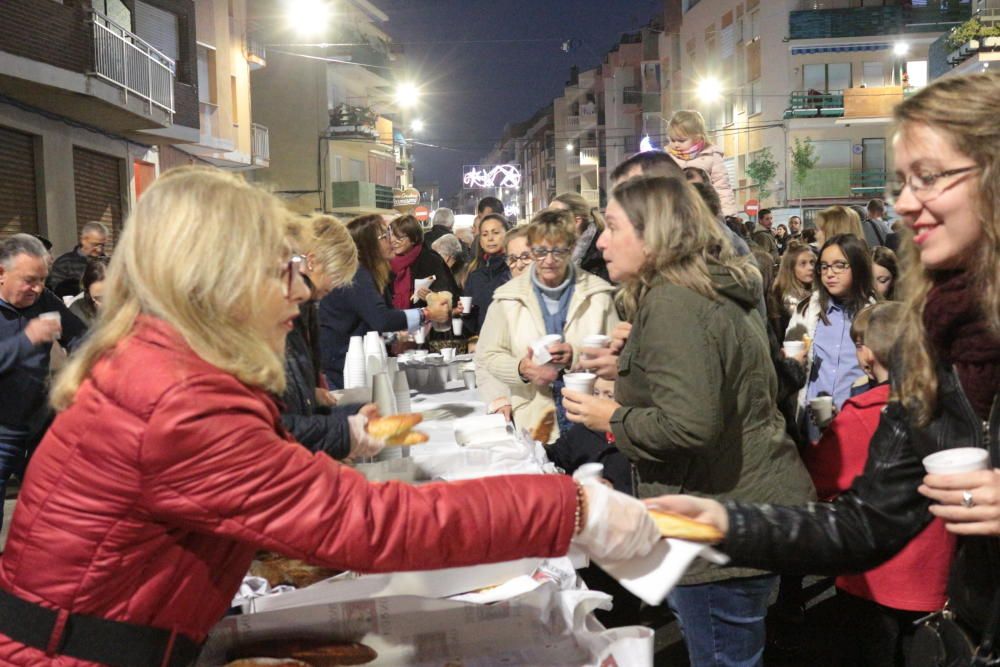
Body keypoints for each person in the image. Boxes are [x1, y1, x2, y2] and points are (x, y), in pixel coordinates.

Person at [0, 167, 661, 666]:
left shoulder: (164, 366)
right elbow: (371, 524)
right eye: (281, 268)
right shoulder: (177, 396)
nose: (299, 291)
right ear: (218, 279)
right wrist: (570, 508)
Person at [647, 74, 1000, 659]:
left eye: (930, 178)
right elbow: (864, 525)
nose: (907, 202)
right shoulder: (928, 341)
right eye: (903, 182)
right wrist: (722, 523)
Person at [560, 175, 814, 667]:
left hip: (718, 522)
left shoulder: (675, 301)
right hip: (738, 507)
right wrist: (632, 366)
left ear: (651, 234)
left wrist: (611, 415)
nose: (601, 241)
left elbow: (690, 425)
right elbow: (711, 378)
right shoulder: (700, 289)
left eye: (612, 227)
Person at [802, 302, 954, 666]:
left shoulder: (860, 416)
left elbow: (820, 481)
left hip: (872, 579)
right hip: (938, 577)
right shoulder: (950, 406)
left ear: (867, 354)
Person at [476, 209, 618, 441]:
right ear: (532, 250)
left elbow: (618, 358)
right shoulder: (509, 297)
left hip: (592, 418)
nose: (549, 261)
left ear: (572, 249)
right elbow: (489, 355)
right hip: (534, 417)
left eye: (558, 251)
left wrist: (576, 356)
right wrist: (521, 368)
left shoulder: (597, 293)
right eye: (541, 252)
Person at [0, 234, 87, 533]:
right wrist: (26, 341)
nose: (38, 289)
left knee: (49, 510)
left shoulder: (44, 301)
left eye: (42, 280)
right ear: (1, 272)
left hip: (38, 425)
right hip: (2, 430)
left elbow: (79, 337)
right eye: (29, 280)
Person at [281, 215, 382, 462]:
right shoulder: (280, 323)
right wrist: (346, 430)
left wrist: (347, 417)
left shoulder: (302, 313)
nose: (302, 291)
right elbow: (278, 431)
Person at [319, 215, 450, 388]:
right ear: (368, 245)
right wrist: (427, 313)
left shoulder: (372, 274)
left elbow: (367, 325)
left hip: (355, 363)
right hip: (342, 370)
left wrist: (394, 337)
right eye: (384, 236)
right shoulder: (356, 274)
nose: (391, 240)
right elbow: (381, 318)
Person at [788, 234, 877, 442]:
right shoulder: (807, 311)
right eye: (825, 266)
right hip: (812, 422)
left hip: (860, 422)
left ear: (858, 266)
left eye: (839, 265)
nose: (830, 273)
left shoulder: (876, 314)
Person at [476, 226, 533, 421]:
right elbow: (485, 358)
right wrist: (499, 398)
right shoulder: (501, 304)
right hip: (522, 408)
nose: (519, 265)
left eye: (526, 256)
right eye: (513, 259)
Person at [666, 110, 738, 216]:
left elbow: (722, 188)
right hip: (676, 214)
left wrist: (729, 215)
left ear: (697, 138)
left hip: (706, 212)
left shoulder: (712, 156)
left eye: (681, 141)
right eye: (672, 140)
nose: (676, 144)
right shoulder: (668, 158)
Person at [388, 214, 457, 309]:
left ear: (413, 239)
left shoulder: (431, 260)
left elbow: (450, 295)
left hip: (424, 319)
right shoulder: (386, 261)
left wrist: (431, 297)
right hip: (394, 319)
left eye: (399, 238)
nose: (393, 241)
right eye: (391, 236)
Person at [463, 213, 511, 333]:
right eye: (485, 234)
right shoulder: (475, 276)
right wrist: (466, 312)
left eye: (495, 233)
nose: (490, 238)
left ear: (507, 234)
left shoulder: (514, 270)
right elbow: (473, 326)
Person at [550, 192, 610, 282]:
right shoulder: (553, 249)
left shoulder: (601, 255)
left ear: (577, 221)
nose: (547, 223)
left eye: (554, 218)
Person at [47, 222, 109, 298]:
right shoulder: (64, 263)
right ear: (83, 240)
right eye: (95, 244)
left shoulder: (109, 264)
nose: (99, 249)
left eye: (102, 245)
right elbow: (54, 292)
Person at [769, 243, 815, 338]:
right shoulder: (781, 295)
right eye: (803, 264)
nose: (810, 268)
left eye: (812, 262)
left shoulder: (818, 291)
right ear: (790, 268)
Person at [67, 258, 108, 329]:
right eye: (99, 298)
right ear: (87, 291)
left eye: (111, 296)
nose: (105, 303)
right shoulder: (78, 310)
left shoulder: (129, 306)